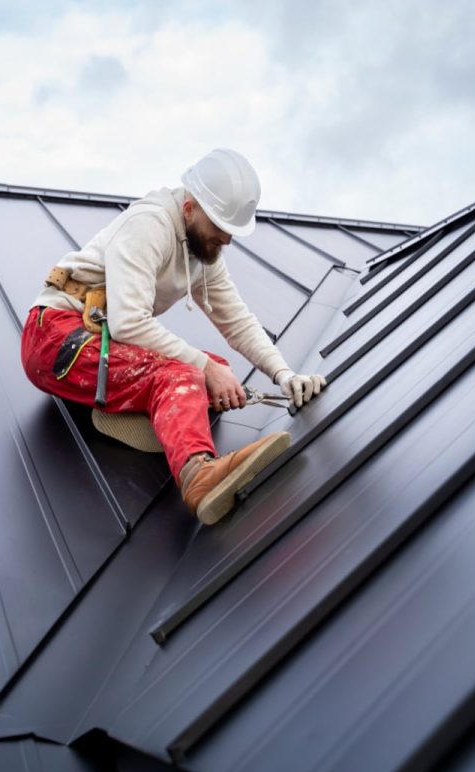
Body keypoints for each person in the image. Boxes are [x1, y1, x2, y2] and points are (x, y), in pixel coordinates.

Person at [21, 148, 326, 525]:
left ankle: (146, 409)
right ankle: (198, 474)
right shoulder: (150, 225)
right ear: (189, 209)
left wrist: (284, 375)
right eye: (219, 226)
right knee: (184, 375)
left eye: (231, 230)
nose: (227, 240)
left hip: (97, 340)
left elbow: (238, 322)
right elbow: (129, 323)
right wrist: (199, 371)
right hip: (55, 338)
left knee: (215, 369)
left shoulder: (204, 252)